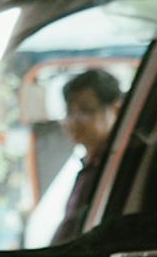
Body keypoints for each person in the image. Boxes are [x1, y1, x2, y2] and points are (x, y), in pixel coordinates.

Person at [51, 66, 122, 244]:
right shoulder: (90, 164)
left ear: (115, 110)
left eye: (86, 110)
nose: (74, 120)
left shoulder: (119, 166)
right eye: (69, 112)